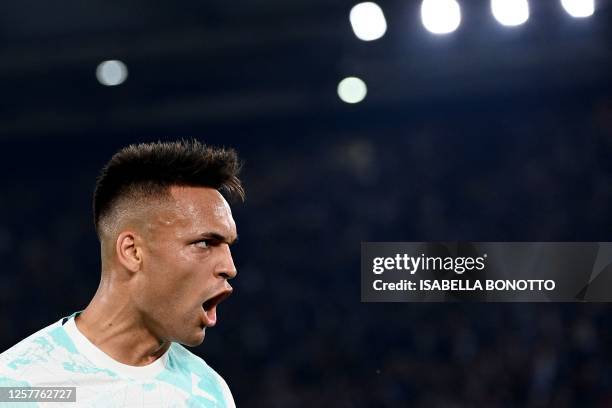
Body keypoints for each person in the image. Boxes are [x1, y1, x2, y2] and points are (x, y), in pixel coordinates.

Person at [0, 140, 244, 407]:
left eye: (228, 246)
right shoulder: (18, 386)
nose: (229, 267)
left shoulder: (210, 392)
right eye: (205, 243)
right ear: (132, 251)